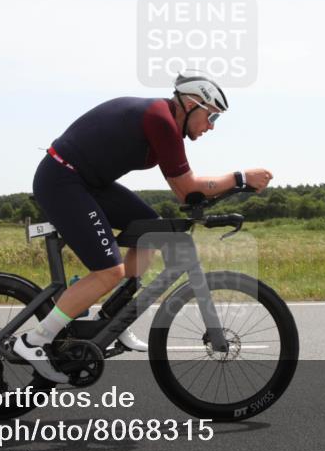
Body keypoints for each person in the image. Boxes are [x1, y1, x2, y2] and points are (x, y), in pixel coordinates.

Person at [14, 72, 273, 382]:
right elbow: (186, 188)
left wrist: (227, 192)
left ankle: (112, 320)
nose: (211, 126)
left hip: (88, 182)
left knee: (152, 234)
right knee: (110, 271)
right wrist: (240, 178)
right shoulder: (160, 120)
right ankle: (35, 340)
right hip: (62, 179)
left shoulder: (168, 126)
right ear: (192, 103)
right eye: (211, 115)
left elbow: (186, 193)